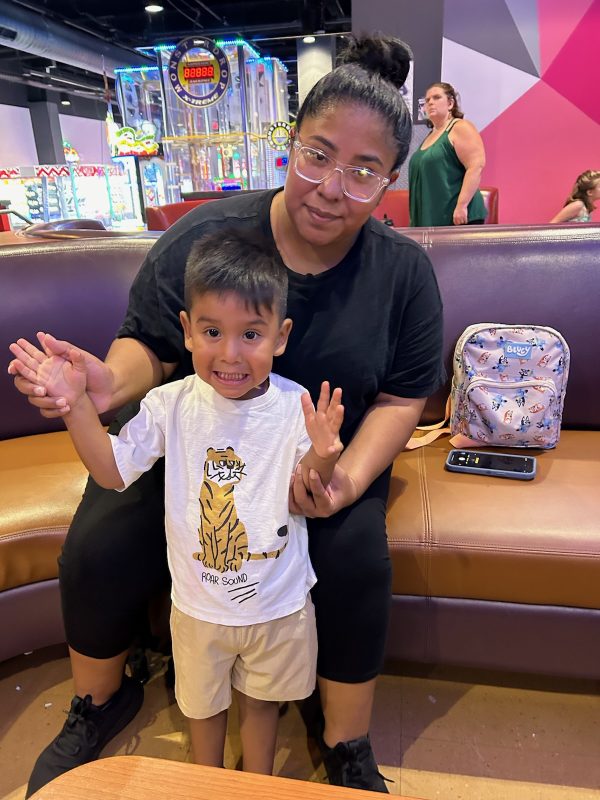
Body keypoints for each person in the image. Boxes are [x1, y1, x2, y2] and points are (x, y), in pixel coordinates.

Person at [9, 33, 445, 795]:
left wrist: (344, 479)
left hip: (316, 455)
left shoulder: (402, 271)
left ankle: (344, 741)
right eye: (317, 155)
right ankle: (98, 700)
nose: (331, 188)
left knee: (354, 555)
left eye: (362, 171)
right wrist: (106, 386)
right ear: (290, 145)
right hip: (197, 440)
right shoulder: (205, 236)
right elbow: (149, 344)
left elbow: (404, 396)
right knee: (100, 538)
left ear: (388, 181)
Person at [10, 229, 345, 777]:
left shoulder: (295, 406)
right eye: (212, 332)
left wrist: (324, 458)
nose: (230, 354)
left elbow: (301, 498)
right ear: (187, 330)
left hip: (277, 605)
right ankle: (205, 783)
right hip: (196, 608)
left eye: (251, 334)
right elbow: (112, 471)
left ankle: (255, 787)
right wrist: (75, 407)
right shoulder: (171, 403)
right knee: (201, 709)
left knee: (263, 707)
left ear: (280, 336)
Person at [409, 81, 486, 226]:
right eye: (427, 100)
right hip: (433, 220)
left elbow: (476, 166)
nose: (430, 102)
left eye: (437, 97)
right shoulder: (430, 136)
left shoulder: (460, 127)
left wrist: (461, 206)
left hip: (458, 219)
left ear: (450, 103)